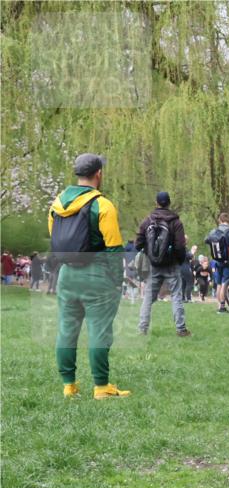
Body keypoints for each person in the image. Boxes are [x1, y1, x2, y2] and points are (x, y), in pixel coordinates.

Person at [47, 152, 130, 398]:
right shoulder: (102, 205)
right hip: (97, 276)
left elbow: (55, 240)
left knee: (66, 329)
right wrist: (117, 281)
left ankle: (68, 386)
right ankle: (101, 387)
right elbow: (114, 249)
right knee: (99, 331)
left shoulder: (56, 204)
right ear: (98, 174)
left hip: (67, 275)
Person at [136, 191, 191, 337]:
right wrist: (179, 260)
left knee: (148, 298)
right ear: (169, 203)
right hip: (172, 264)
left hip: (154, 265)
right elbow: (180, 246)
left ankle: (142, 329)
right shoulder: (176, 222)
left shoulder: (147, 220)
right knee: (176, 296)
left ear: (157, 203)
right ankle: (181, 329)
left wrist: (150, 253)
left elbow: (138, 244)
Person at [205, 211, 229, 313]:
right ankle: (222, 307)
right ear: (228, 221)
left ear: (219, 220)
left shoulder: (213, 231)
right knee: (225, 283)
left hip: (216, 261)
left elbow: (206, 240)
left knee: (219, 284)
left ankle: (220, 305)